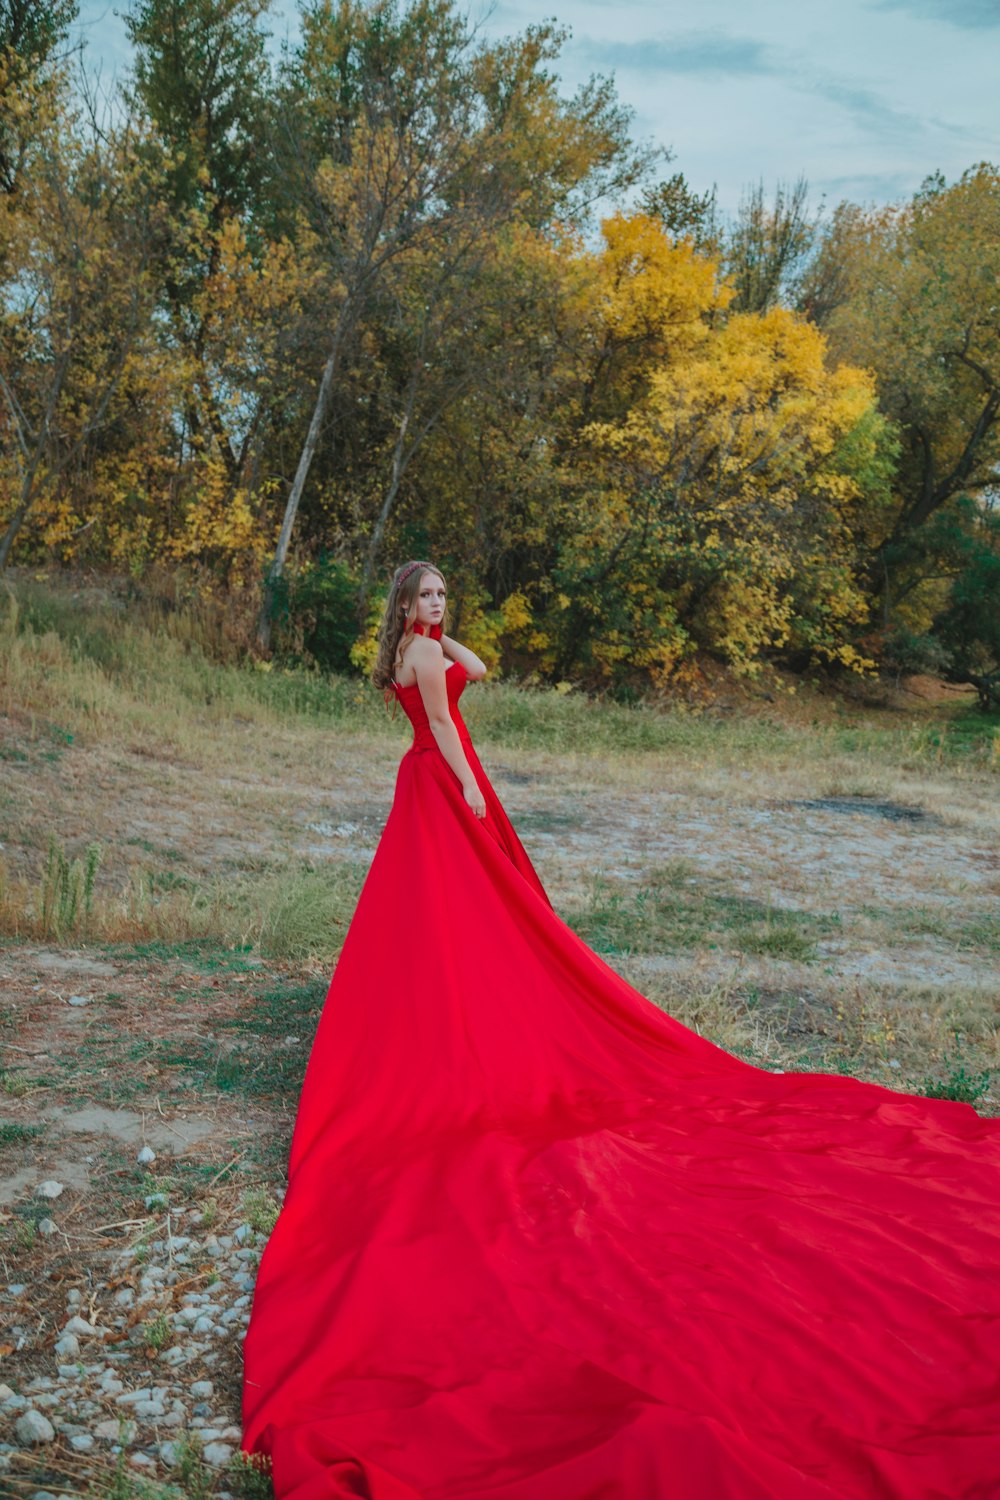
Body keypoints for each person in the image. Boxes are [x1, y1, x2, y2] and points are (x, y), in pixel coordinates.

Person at [241, 558, 1000, 1500]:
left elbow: (463, 670)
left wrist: (435, 638)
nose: (440, 610)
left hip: (420, 785)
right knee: (485, 910)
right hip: (448, 786)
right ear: (405, 607)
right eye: (426, 598)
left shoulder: (407, 652)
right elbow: (447, 716)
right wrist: (475, 797)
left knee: (446, 919)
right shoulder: (427, 664)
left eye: (442, 596)